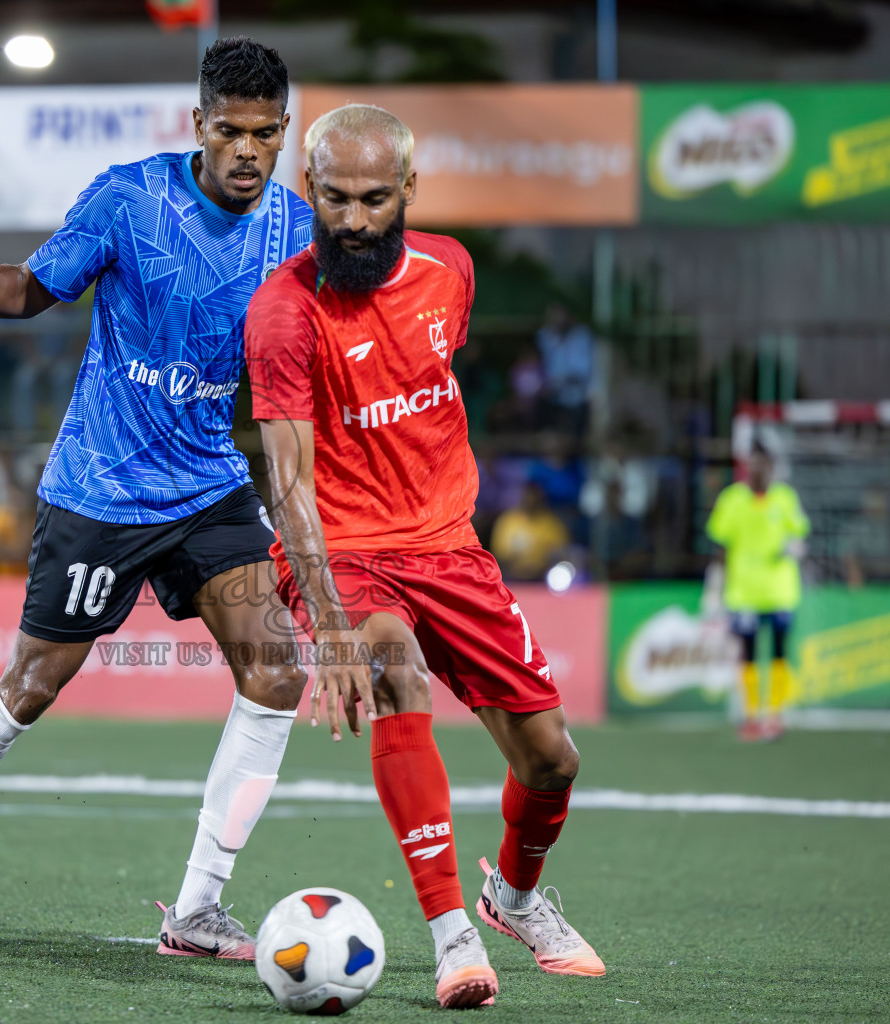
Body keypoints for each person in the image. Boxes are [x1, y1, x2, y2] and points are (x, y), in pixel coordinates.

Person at [0, 37, 314, 960]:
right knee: (30, 688)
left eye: (267, 133)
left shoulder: (293, 229)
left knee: (278, 671)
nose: (249, 152)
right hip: (102, 485)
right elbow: (27, 291)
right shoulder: (128, 198)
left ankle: (196, 909)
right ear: (199, 125)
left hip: (210, 484)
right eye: (231, 132)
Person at [246, 103, 604, 1011]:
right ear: (307, 191)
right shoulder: (285, 311)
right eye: (334, 199)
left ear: (409, 190)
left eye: (374, 198)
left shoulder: (452, 270)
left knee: (552, 761)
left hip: (449, 547)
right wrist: (328, 624)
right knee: (392, 663)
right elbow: (287, 478)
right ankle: (453, 937)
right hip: (342, 553)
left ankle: (512, 900)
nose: (355, 219)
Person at [705, 447, 809, 742]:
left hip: (780, 591)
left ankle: (776, 714)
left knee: (779, 652)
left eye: (763, 463)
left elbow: (799, 533)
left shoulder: (785, 498)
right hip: (744, 593)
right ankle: (751, 716)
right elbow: (721, 545)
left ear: (772, 467)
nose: (757, 469)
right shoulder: (732, 499)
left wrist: (796, 547)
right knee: (748, 653)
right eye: (752, 464)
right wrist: (714, 585)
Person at [535, 302, 594, 437]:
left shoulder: (582, 336)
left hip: (577, 397)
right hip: (552, 396)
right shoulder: (545, 336)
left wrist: (557, 381)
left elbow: (581, 370)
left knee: (575, 438)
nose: (557, 319)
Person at [489, 482, 569, 581]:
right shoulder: (507, 521)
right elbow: (498, 554)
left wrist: (539, 568)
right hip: (511, 576)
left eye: (533, 498)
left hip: (542, 577)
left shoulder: (552, 524)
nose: (530, 501)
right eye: (527, 497)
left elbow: (560, 554)